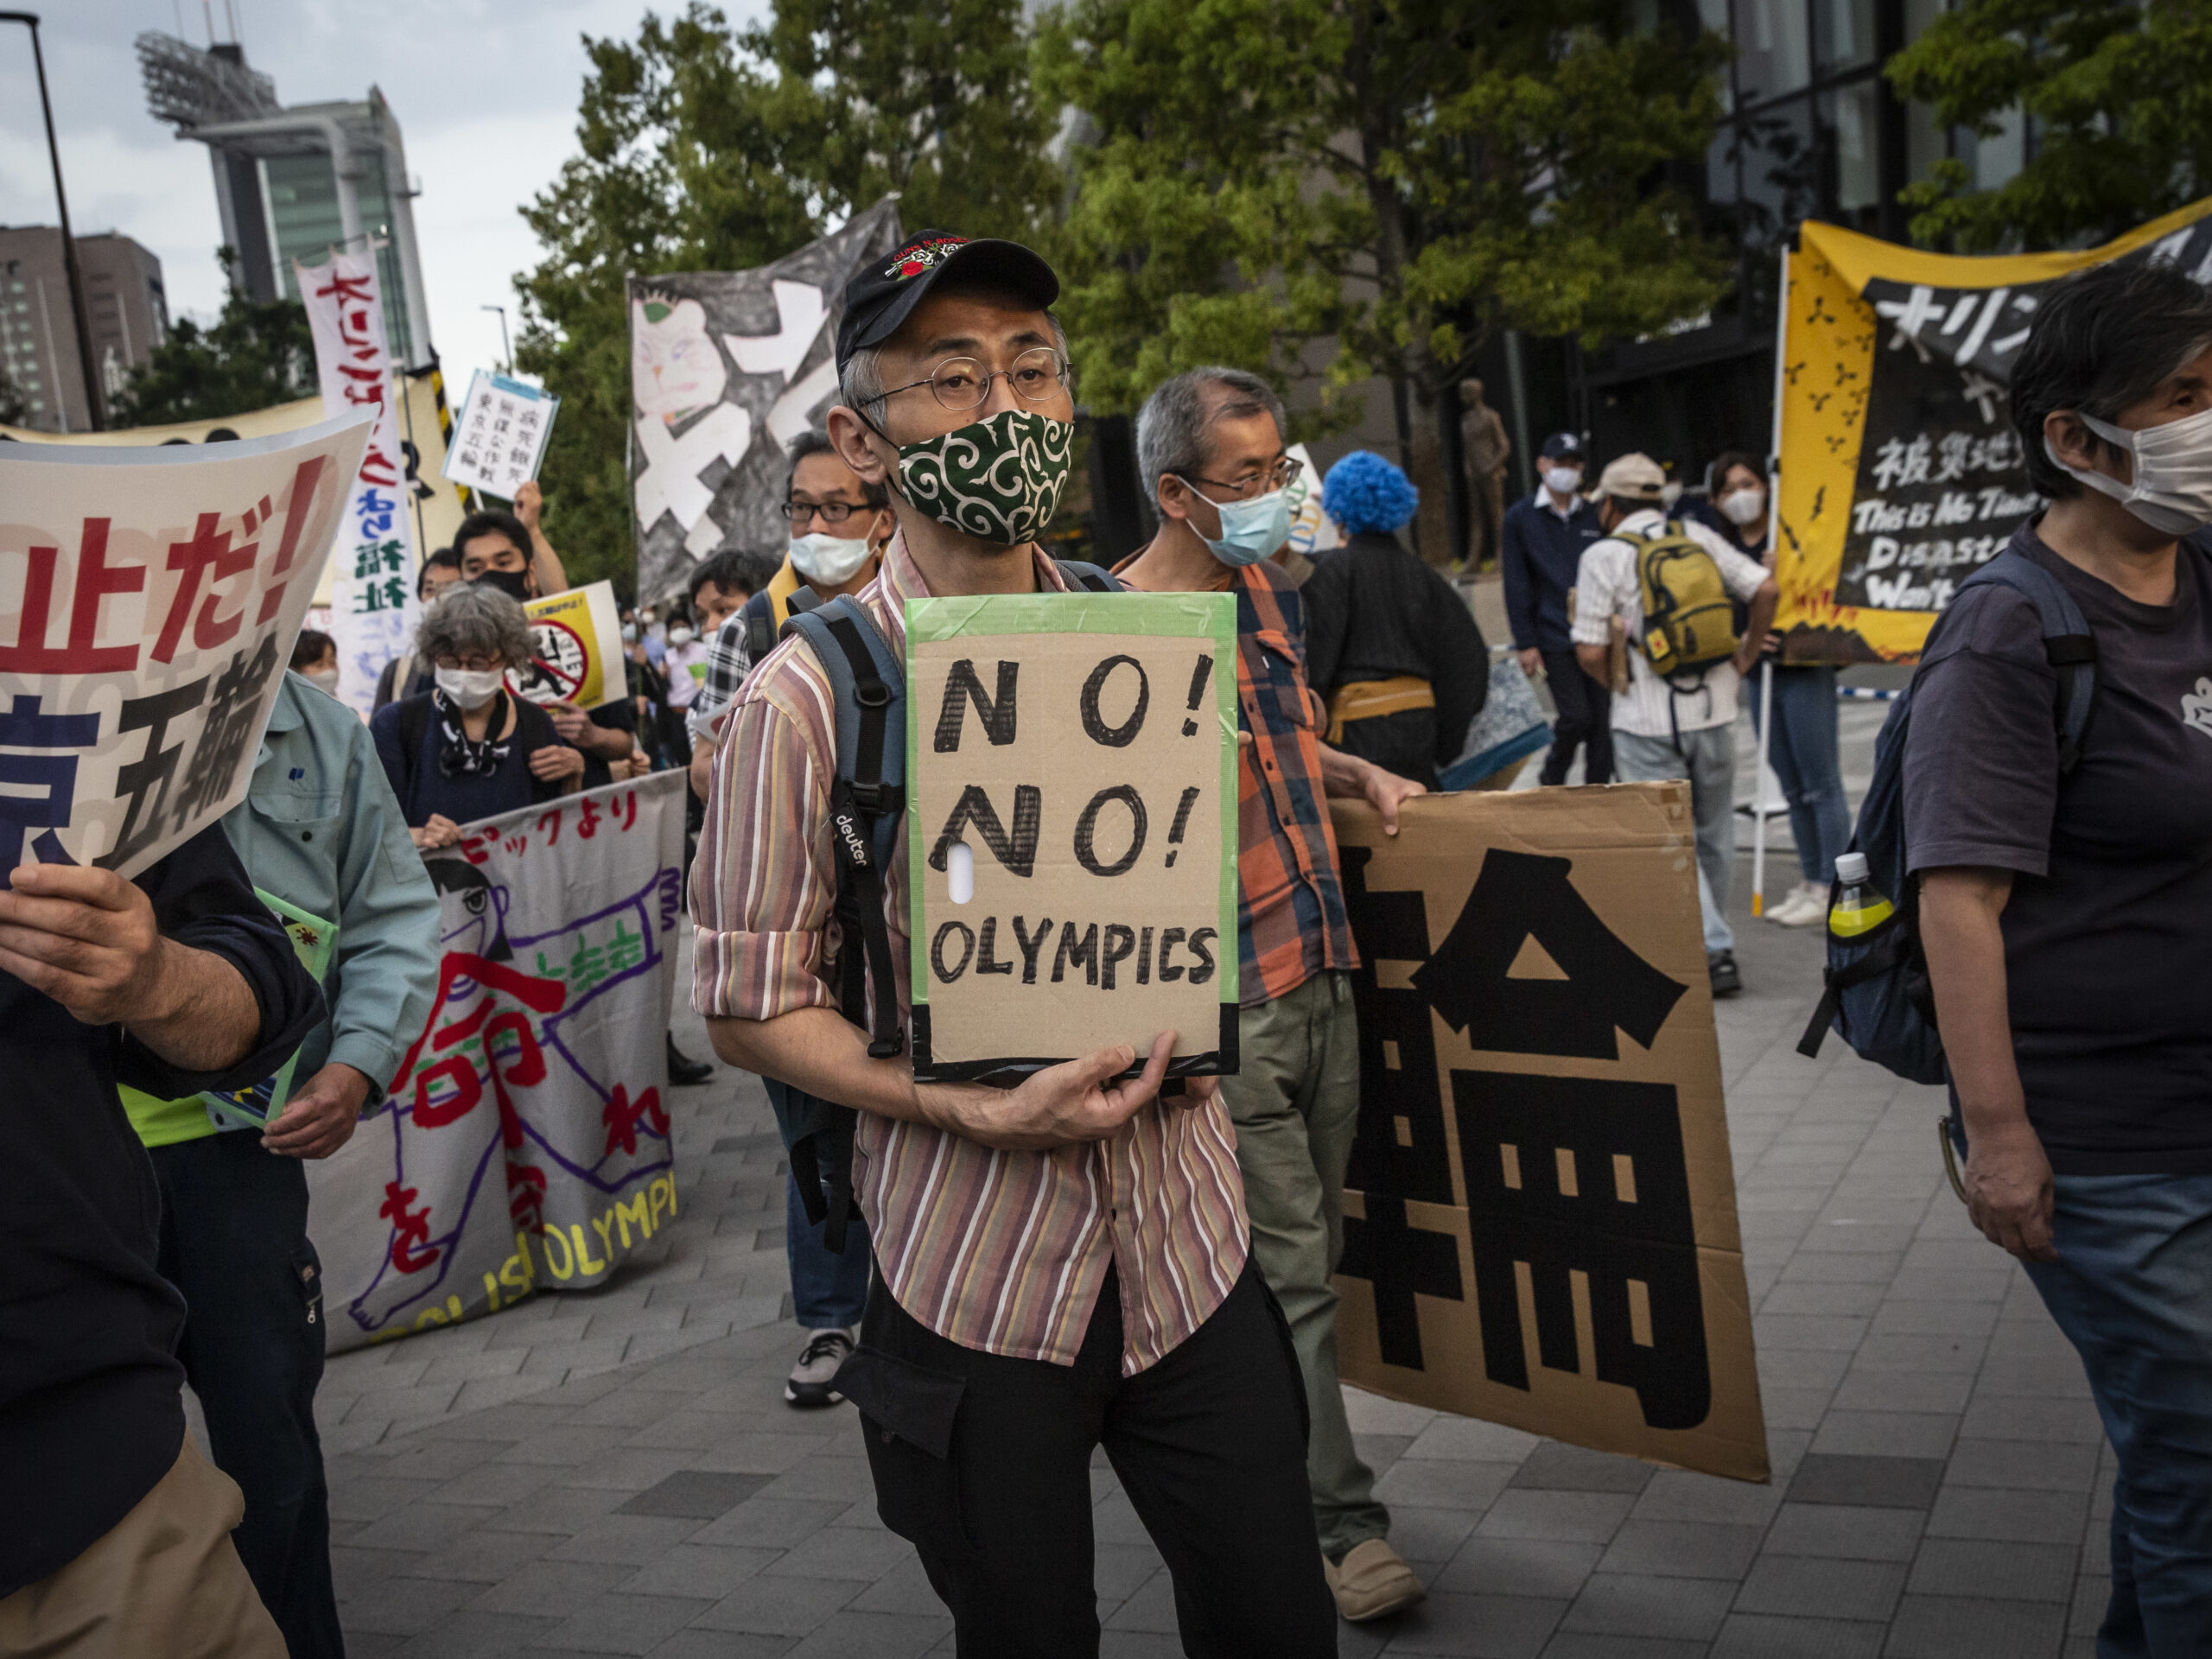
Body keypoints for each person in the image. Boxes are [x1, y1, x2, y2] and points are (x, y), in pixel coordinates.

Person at [693, 230, 1334, 1657]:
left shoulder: (1143, 633)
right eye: (952, 377)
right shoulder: (803, 700)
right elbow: (745, 1007)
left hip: (1189, 1251)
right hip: (971, 1280)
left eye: (1032, 368)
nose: (1005, 406)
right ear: (866, 433)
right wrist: (961, 1102)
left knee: (1279, 1620)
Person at [1912, 257, 2212, 1659]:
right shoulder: (2011, 625)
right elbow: (1957, 901)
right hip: (2109, 1142)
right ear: (2078, 438)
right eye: (2188, 398)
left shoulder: (2203, 574)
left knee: (2190, 1462)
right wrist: (2004, 1137)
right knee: (2201, 1457)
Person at [1117, 367, 1433, 1625]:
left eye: (1279, 470)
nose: (1274, 500)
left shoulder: (1263, 594)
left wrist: (1349, 770)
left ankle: (1259, 1475)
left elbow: (1282, 735)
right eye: (1244, 483)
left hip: (1326, 967)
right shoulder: (1110, 625)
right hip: (1229, 1006)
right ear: (1176, 494)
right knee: (1293, 1271)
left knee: (1308, 1258)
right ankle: (1338, 1525)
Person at [118, 665, 441, 1659]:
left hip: (239, 1155)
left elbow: (393, 913)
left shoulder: (317, 729)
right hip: (72, 1162)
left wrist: (355, 1066)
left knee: (271, 1455)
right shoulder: (55, 712)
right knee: (99, 1468)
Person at [0, 830, 323, 1656]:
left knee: (269, 1441)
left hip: (80, 1480)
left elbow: (254, 980)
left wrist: (153, 979)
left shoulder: (55, 719)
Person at [1572, 452, 1776, 997]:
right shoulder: (1700, 537)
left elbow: (1589, 649)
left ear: (1611, 505)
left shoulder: (1603, 556)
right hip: (1717, 708)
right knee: (1713, 833)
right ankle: (1712, 939)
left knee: (1670, 837)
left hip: (1644, 719)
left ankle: (1710, 948)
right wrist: (1747, 654)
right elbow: (1766, 589)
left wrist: (1616, 678)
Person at [688, 436, 896, 804]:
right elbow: (703, 771)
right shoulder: (748, 629)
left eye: (835, 508)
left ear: (884, 521)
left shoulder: (909, 614)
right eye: (802, 508)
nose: (814, 526)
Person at [1700, 450, 1851, 926]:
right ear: (1716, 501)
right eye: (1728, 490)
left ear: (1766, 487)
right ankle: (1811, 879)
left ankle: (1834, 885)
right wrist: (1743, 639)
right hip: (1761, 674)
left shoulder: (1790, 539)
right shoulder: (1724, 551)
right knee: (1791, 783)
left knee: (1820, 782)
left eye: (1748, 483)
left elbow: (1828, 585)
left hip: (1803, 665)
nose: (1740, 496)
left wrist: (1790, 567)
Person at [1303, 448, 1489, 791]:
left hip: (1350, 737)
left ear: (1336, 509)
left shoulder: (1331, 572)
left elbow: (1311, 658)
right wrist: (1446, 741)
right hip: (1420, 731)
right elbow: (1468, 662)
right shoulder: (1427, 578)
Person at [372, 582, 584, 849]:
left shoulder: (534, 722)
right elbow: (370, 829)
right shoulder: (396, 724)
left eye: (477, 662)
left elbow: (560, 829)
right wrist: (416, 836)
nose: (463, 673)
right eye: (449, 661)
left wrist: (574, 774)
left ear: (508, 657)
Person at [1502, 432, 1611, 785]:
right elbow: (1516, 582)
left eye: (1574, 464)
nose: (1567, 471)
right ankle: (1552, 778)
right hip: (1553, 634)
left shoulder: (1594, 513)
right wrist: (1525, 641)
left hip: (1598, 632)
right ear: (1542, 465)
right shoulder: (1520, 517)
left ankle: (1598, 797)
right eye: (1559, 463)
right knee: (1576, 716)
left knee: (1603, 723)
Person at [373, 548, 465, 709]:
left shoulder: (486, 667)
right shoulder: (398, 672)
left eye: (451, 589)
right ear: (420, 597)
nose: (438, 598)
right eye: (430, 589)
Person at [1459, 378, 1511, 567]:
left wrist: (1492, 468)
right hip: (1473, 476)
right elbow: (1467, 449)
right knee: (1476, 518)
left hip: (1490, 473)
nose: (1463, 395)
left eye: (1466, 391)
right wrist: (1468, 471)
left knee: (1497, 516)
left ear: (1476, 393)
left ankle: (1503, 555)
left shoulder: (1491, 417)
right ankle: (1474, 559)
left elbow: (1504, 446)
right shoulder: (1464, 420)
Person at [289, 628, 340, 696]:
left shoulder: (340, 705)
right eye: (319, 665)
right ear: (294, 670)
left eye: (332, 662)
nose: (329, 670)